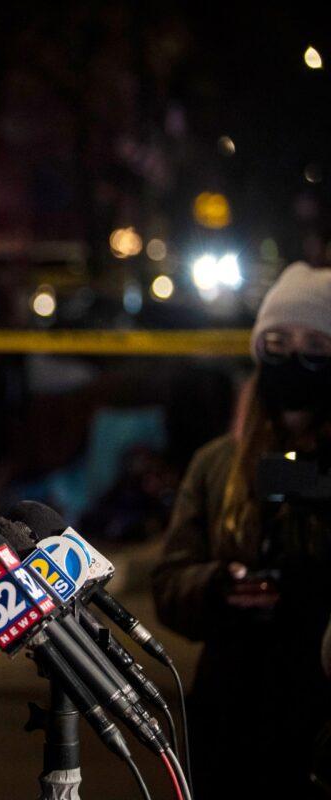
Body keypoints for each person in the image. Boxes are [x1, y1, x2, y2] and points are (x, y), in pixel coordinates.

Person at [152, 262, 331, 798]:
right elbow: (170, 582)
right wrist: (218, 585)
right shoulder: (218, 464)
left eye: (315, 346)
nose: (294, 359)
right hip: (232, 715)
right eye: (277, 343)